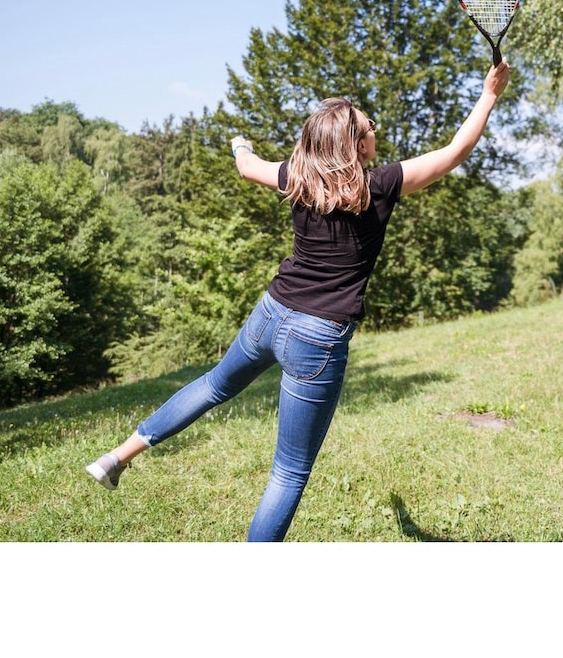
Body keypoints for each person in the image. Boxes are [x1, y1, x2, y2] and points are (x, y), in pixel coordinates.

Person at [85, 60, 511, 541]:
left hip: (271, 313)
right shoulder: (378, 185)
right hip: (318, 337)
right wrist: (490, 93)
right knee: (287, 473)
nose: (376, 131)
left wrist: (239, 142)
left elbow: (246, 167)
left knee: (213, 385)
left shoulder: (297, 178)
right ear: (356, 144)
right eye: (372, 126)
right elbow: (455, 152)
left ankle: (117, 457)